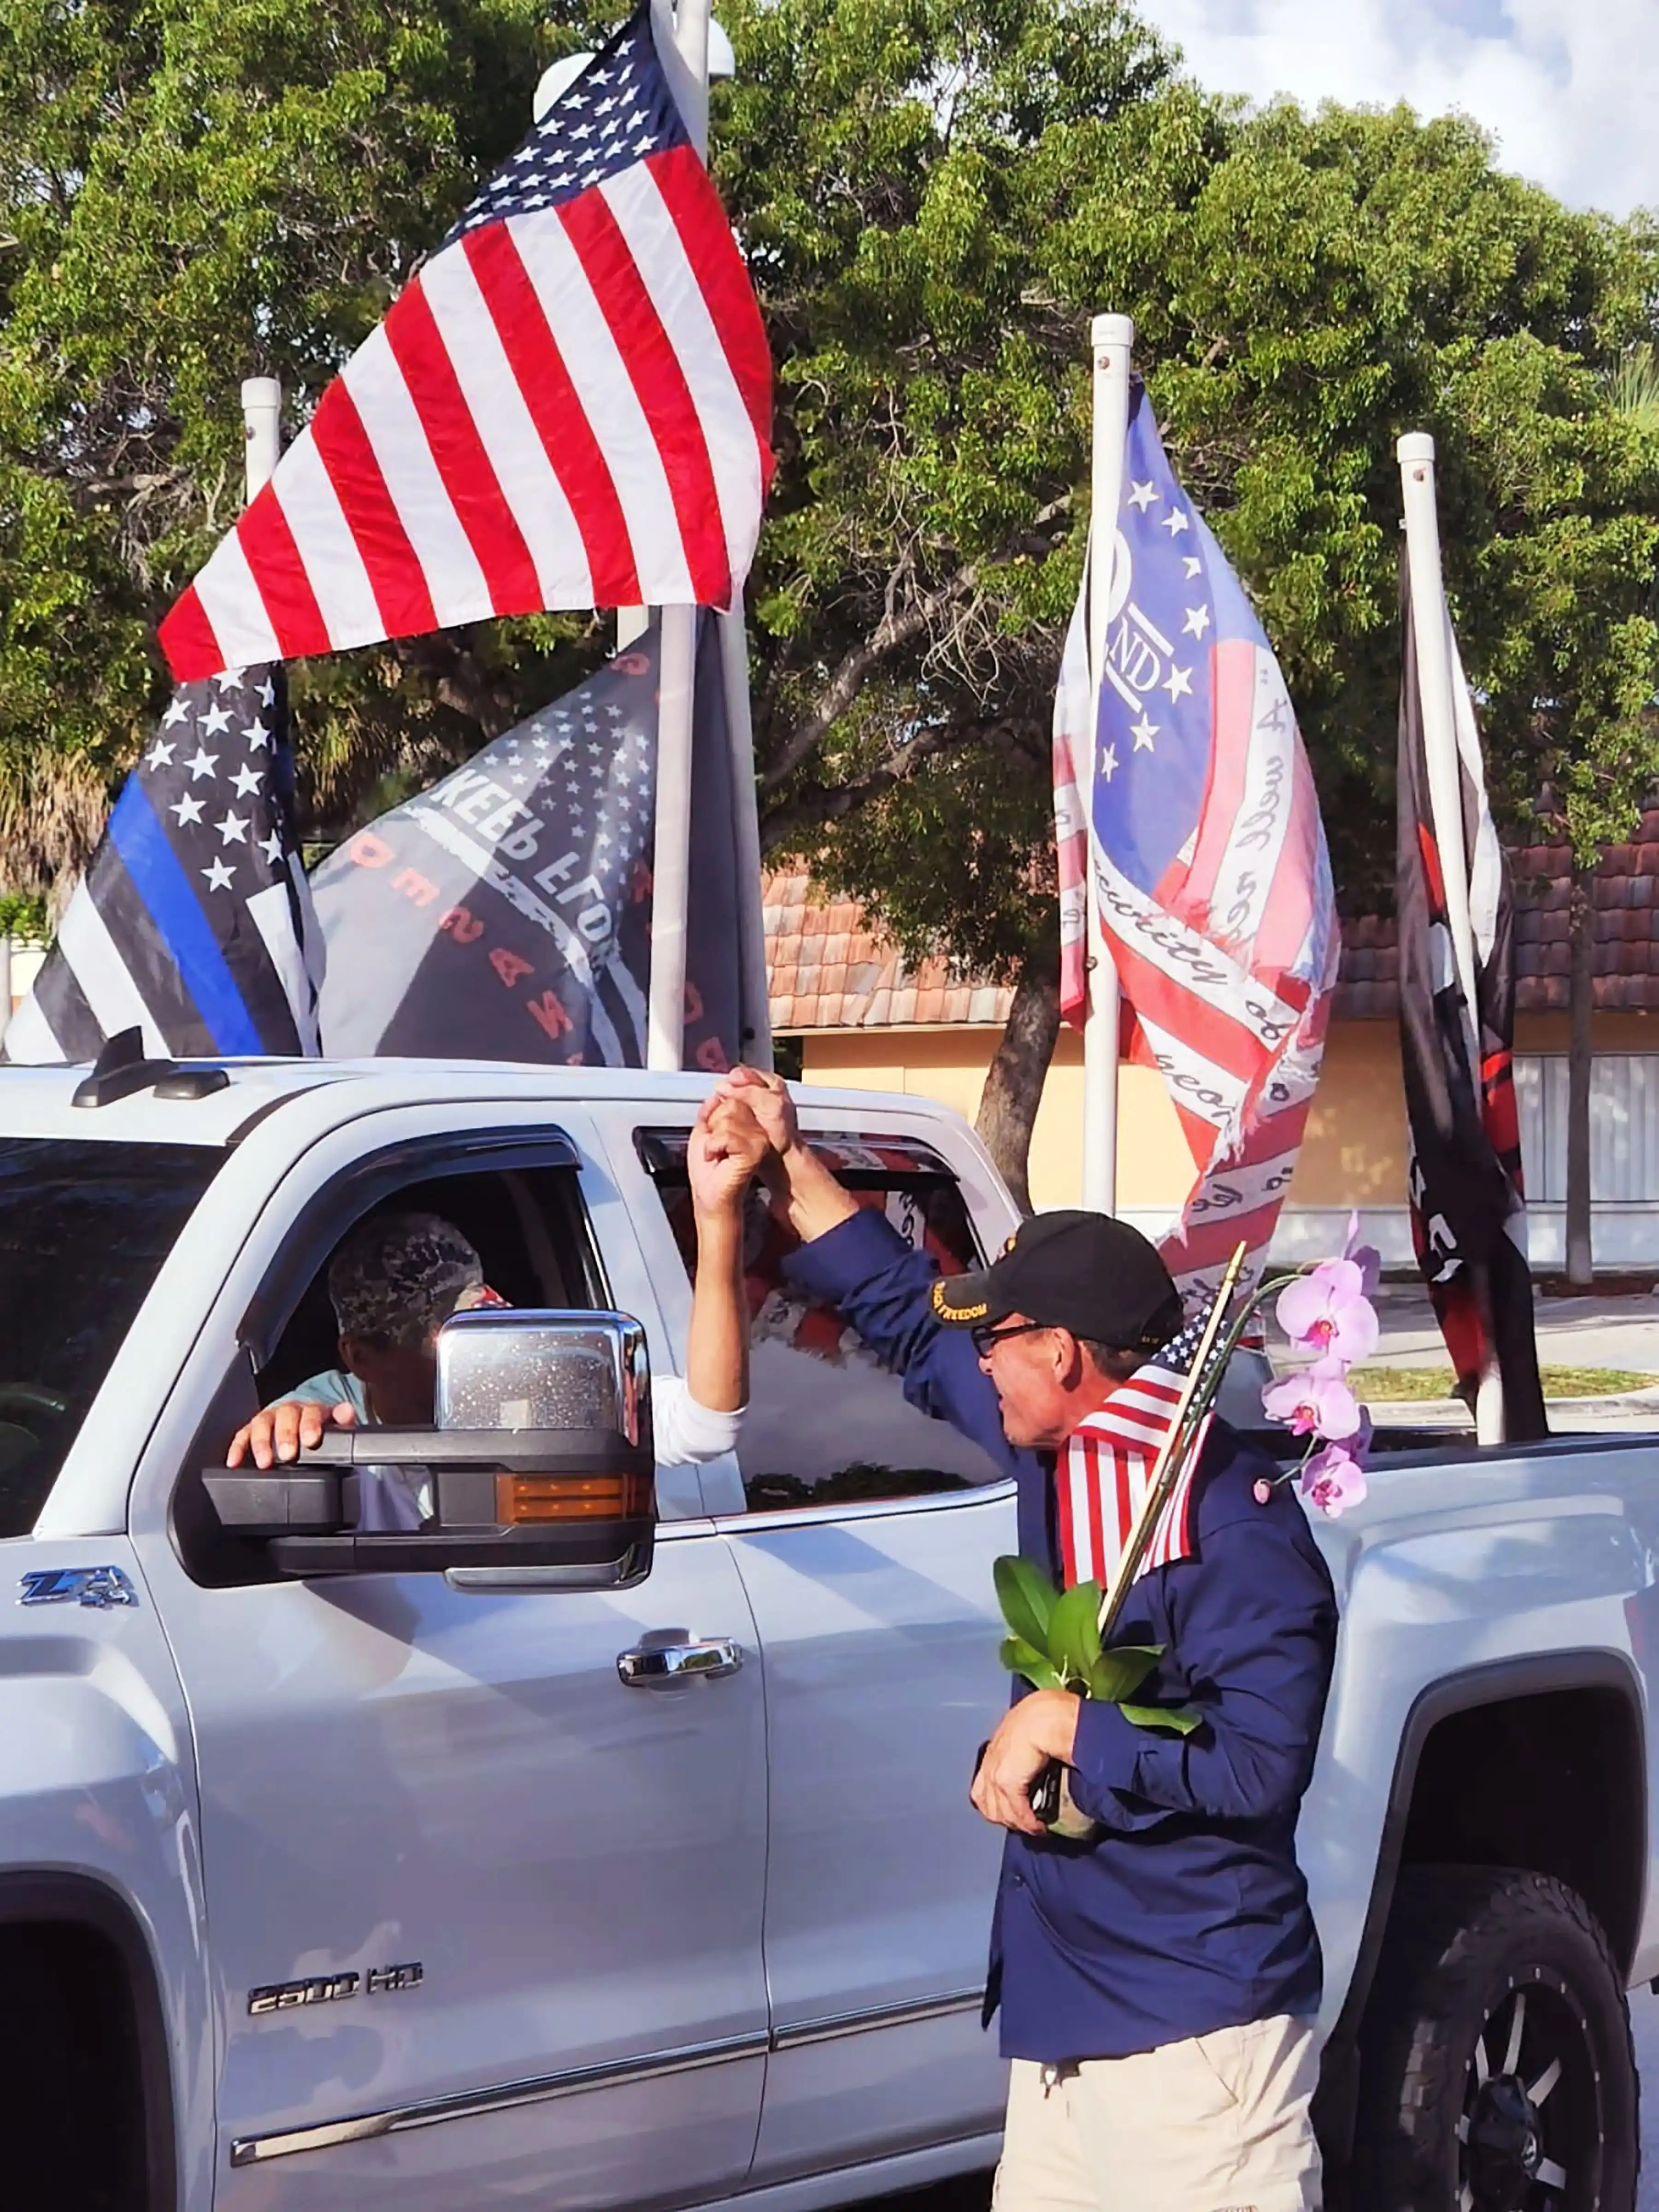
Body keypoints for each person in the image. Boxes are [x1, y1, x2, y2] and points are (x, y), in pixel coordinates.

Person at [718, 1063, 1338, 2212]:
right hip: (1062, 2019)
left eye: (999, 1338)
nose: (981, 1361)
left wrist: (1065, 1720)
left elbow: (1257, 1765)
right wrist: (782, 1157)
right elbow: (909, 1313)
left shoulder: (1229, 1524)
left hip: (1191, 2039)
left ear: (1062, 1353)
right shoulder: (1064, 1457)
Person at [226, 1091, 770, 1521]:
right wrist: (285, 1439)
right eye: (449, 1333)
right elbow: (278, 1443)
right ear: (362, 1357)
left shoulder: (533, 1372)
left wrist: (718, 1217)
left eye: (482, 1313)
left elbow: (707, 1426)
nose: (484, 1343)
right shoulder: (328, 1412)